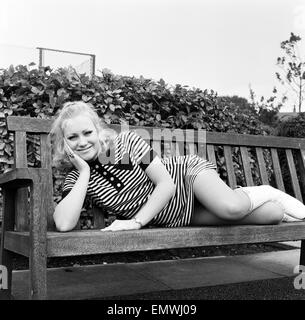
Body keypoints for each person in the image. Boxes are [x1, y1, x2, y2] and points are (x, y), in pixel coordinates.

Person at [50, 101, 305, 232]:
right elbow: (63, 223)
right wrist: (84, 172)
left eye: (87, 132)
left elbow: (166, 184)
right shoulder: (78, 179)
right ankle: (260, 199)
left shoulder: (124, 143)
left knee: (232, 207)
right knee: (271, 215)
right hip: (178, 216)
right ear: (65, 143)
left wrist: (136, 222)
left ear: (98, 131)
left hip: (186, 177)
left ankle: (265, 190)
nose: (82, 142)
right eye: (73, 137)